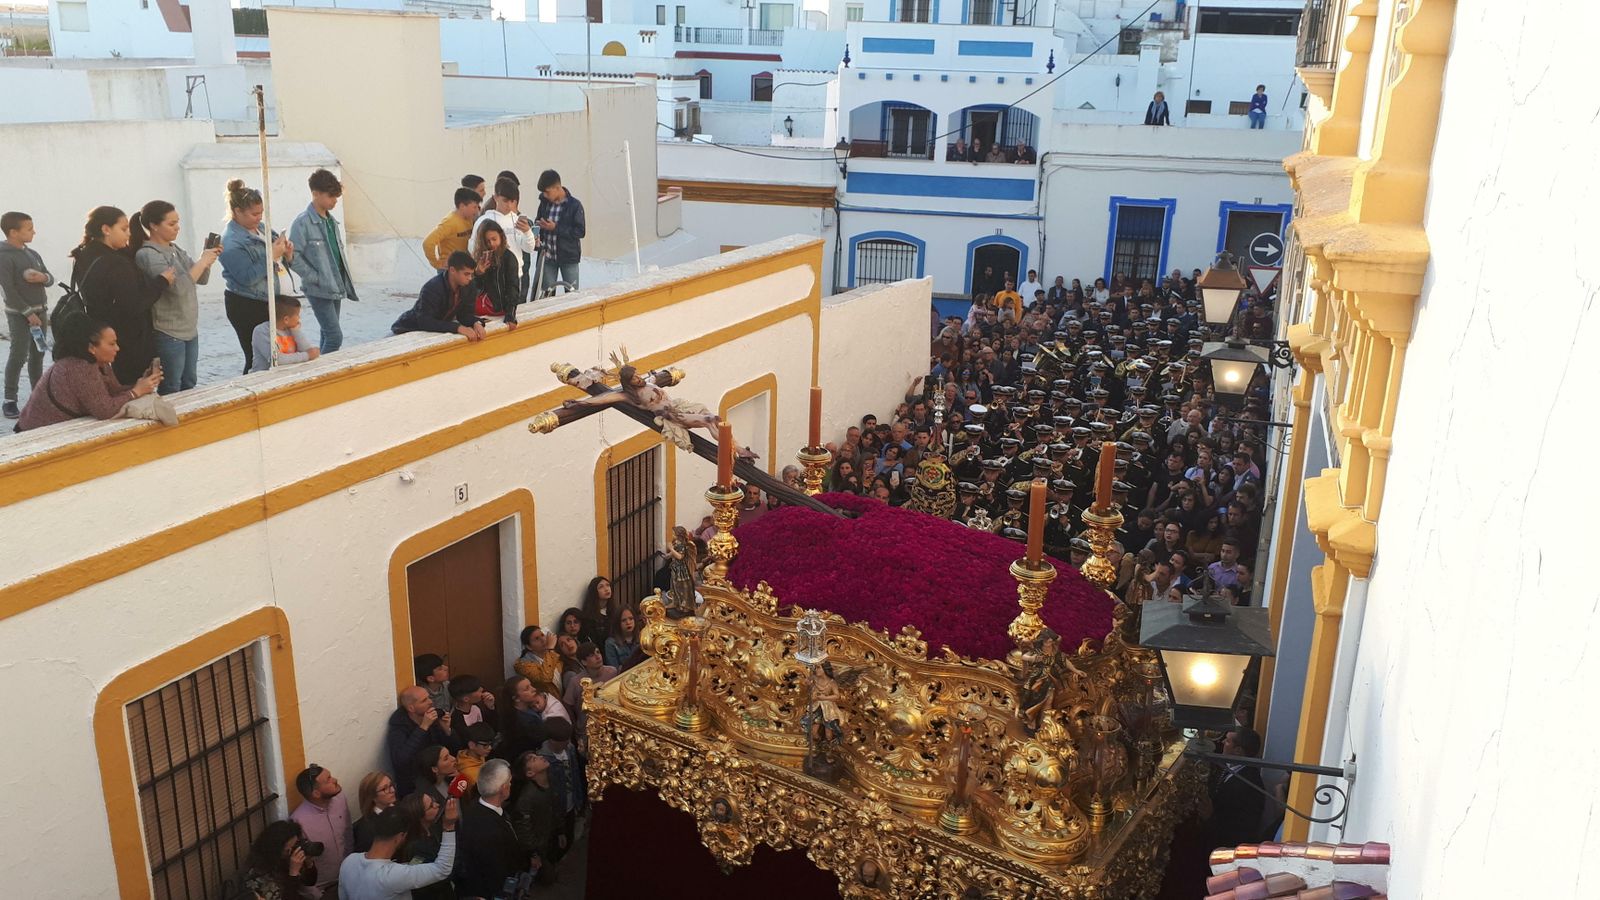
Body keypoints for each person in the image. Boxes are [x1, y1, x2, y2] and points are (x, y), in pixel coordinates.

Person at [70, 205, 174, 386]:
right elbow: (135, 303)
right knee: (133, 387)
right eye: (124, 229)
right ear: (106, 229)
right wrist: (162, 282)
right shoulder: (116, 263)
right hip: (127, 338)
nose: (128, 234)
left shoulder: (84, 254)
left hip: (101, 332)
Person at [128, 200, 219, 395]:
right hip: (168, 331)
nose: (177, 227)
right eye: (171, 224)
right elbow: (180, 289)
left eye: (178, 222)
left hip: (189, 327)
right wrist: (202, 262)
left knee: (189, 381)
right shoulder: (148, 254)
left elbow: (200, 279)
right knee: (171, 385)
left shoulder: (175, 249)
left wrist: (207, 260)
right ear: (153, 225)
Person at [15, 314, 161, 432]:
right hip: (36, 433)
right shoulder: (79, 368)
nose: (117, 348)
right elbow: (105, 410)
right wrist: (136, 392)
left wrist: (142, 382)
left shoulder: (99, 363)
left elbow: (114, 392)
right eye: (111, 344)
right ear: (92, 348)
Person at [220, 179, 293, 375]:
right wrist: (272, 256)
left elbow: (277, 257)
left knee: (278, 352)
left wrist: (286, 252)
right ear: (237, 212)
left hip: (272, 300)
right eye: (254, 214)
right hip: (248, 304)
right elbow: (247, 277)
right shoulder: (231, 241)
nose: (258, 217)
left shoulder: (261, 227)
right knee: (258, 357)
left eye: (261, 212)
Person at [288, 169, 358, 354]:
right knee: (335, 336)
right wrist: (315, 277)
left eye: (336, 196)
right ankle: (326, 371)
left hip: (335, 285)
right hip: (319, 288)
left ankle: (323, 369)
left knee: (327, 333)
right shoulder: (303, 223)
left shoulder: (331, 220)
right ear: (316, 193)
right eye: (331, 196)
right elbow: (292, 257)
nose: (335, 200)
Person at [338, 800, 459, 900]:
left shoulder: (349, 861)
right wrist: (449, 826)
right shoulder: (391, 875)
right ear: (400, 836)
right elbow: (442, 869)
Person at [0, 211, 52, 418]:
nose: (34, 232)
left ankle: (38, 395)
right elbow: (8, 291)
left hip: (41, 311)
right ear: (13, 232)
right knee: (18, 354)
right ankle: (9, 399)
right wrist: (27, 313)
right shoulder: (3, 257)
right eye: (29, 229)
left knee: (38, 354)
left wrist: (43, 277)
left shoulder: (33, 254)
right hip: (19, 315)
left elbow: (50, 279)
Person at [453, 759, 528, 899]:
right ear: (504, 788)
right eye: (510, 782)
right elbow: (495, 870)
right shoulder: (489, 831)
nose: (511, 785)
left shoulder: (473, 808)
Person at [288, 764, 352, 897]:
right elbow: (301, 866)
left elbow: (348, 834)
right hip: (324, 890)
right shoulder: (299, 821)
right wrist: (318, 896)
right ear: (316, 793)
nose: (334, 779)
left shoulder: (340, 799)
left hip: (350, 877)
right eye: (328, 779)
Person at [391, 252, 486, 340]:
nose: (470, 278)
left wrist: (476, 323)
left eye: (471, 274)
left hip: (434, 329)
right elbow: (425, 322)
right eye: (466, 274)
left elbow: (465, 316)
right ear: (452, 270)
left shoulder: (469, 286)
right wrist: (457, 328)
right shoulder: (432, 288)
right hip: (406, 329)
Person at [472, 178, 535, 299]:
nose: (509, 205)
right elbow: (473, 248)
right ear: (495, 197)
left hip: (516, 276)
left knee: (517, 313)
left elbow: (528, 248)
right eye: (505, 201)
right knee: (493, 313)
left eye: (512, 201)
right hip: (492, 277)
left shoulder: (517, 220)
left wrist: (527, 232)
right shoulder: (483, 221)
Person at [1207, 727, 1266, 847]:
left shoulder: (1250, 786)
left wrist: (1210, 815)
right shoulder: (1226, 765)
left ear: (1238, 751)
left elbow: (1241, 828)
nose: (1223, 742)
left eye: (1228, 741)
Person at [386, 686, 451, 796]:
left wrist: (447, 730)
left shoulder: (432, 717)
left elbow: (451, 747)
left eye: (429, 697)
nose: (430, 702)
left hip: (436, 776)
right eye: (424, 700)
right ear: (411, 708)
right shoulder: (398, 728)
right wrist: (423, 727)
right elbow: (401, 760)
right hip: (414, 787)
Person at [510, 752, 562, 878]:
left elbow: (555, 808)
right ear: (530, 773)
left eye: (536, 756)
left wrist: (560, 830)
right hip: (539, 846)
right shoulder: (527, 798)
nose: (540, 757)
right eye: (534, 759)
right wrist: (533, 854)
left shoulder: (551, 779)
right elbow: (524, 830)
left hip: (549, 837)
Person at [534, 169, 586, 295]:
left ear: (557, 188)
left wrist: (556, 228)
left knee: (572, 294)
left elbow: (580, 231)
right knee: (547, 293)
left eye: (547, 192)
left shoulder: (574, 205)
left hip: (569, 257)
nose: (545, 195)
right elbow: (538, 220)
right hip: (547, 256)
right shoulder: (545, 203)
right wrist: (536, 232)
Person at [242, 819, 317, 900]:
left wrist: (309, 864)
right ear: (276, 849)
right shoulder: (258, 873)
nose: (292, 851)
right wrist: (293, 873)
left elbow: (310, 882)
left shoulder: (285, 858)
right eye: (288, 850)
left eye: (295, 844)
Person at [470, 218, 521, 330]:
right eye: (487, 241)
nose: (491, 244)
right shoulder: (480, 257)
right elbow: (472, 289)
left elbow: (513, 286)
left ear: (501, 238)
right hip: (481, 306)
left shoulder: (509, 257)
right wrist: (478, 273)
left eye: (494, 239)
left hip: (499, 307)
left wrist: (511, 315)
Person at [250, 296, 319, 372]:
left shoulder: (291, 330)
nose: (299, 318)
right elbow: (276, 359)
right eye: (298, 315)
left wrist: (296, 331)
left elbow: (308, 350)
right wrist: (306, 355)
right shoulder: (262, 331)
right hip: (264, 376)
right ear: (286, 319)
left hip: (288, 372)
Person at [423, 187, 483, 273]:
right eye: (474, 207)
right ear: (462, 206)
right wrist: (437, 264)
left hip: (464, 267)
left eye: (478, 207)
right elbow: (427, 243)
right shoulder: (450, 222)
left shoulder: (469, 218)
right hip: (450, 270)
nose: (477, 210)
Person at [352, 771, 397, 854]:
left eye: (391, 785)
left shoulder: (397, 806)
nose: (392, 790)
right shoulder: (367, 829)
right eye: (384, 789)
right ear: (372, 797)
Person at [513, 624, 563, 695]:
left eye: (542, 635)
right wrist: (550, 649)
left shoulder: (554, 655)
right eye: (537, 638)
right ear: (529, 647)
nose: (543, 640)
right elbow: (545, 680)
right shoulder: (523, 665)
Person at [412, 744, 457, 810]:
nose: (453, 758)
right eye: (446, 758)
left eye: (449, 754)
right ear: (435, 769)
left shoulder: (453, 777)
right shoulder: (425, 796)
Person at [457, 722, 496, 788]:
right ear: (472, 745)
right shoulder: (470, 774)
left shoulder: (475, 755)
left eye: (490, 744)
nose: (490, 748)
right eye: (485, 745)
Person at [578, 575, 616, 640]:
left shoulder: (614, 611)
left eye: (608, 585)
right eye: (601, 587)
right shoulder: (588, 616)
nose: (606, 589)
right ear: (594, 592)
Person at [604, 605, 639, 669]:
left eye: (631, 619)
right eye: (623, 620)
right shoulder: (611, 643)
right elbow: (614, 669)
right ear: (617, 623)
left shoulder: (642, 638)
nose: (628, 622)